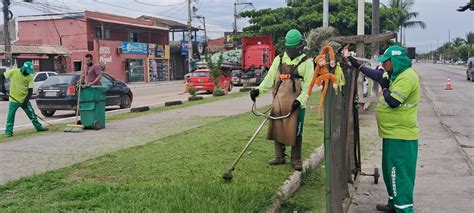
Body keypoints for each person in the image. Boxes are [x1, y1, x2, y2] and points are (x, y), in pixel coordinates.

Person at [348, 45, 420, 213]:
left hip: (402, 135)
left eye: (386, 62)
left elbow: (394, 102)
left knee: (399, 174)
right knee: (389, 172)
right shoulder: (395, 74)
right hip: (391, 133)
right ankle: (393, 203)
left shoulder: (408, 77)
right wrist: (357, 65)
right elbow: (378, 75)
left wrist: (385, 88)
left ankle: (404, 209)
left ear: (395, 61)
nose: (384, 65)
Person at [250, 29, 314, 171]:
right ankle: (279, 157)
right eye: (289, 48)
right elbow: (269, 78)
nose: (290, 51)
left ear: (300, 47)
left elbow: (309, 85)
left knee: (296, 130)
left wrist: (301, 100)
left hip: (296, 102)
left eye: (293, 48)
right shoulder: (279, 59)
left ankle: (296, 159)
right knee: (277, 126)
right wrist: (258, 91)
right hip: (279, 99)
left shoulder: (307, 62)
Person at [0, 61, 48, 137]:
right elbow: (2, 76)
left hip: (24, 99)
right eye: (27, 71)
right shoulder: (14, 71)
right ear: (23, 68)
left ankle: (39, 127)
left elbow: (30, 91)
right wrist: (2, 87)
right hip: (13, 100)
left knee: (32, 114)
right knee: (10, 116)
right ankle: (8, 132)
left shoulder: (30, 77)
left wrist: (25, 101)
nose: (28, 73)